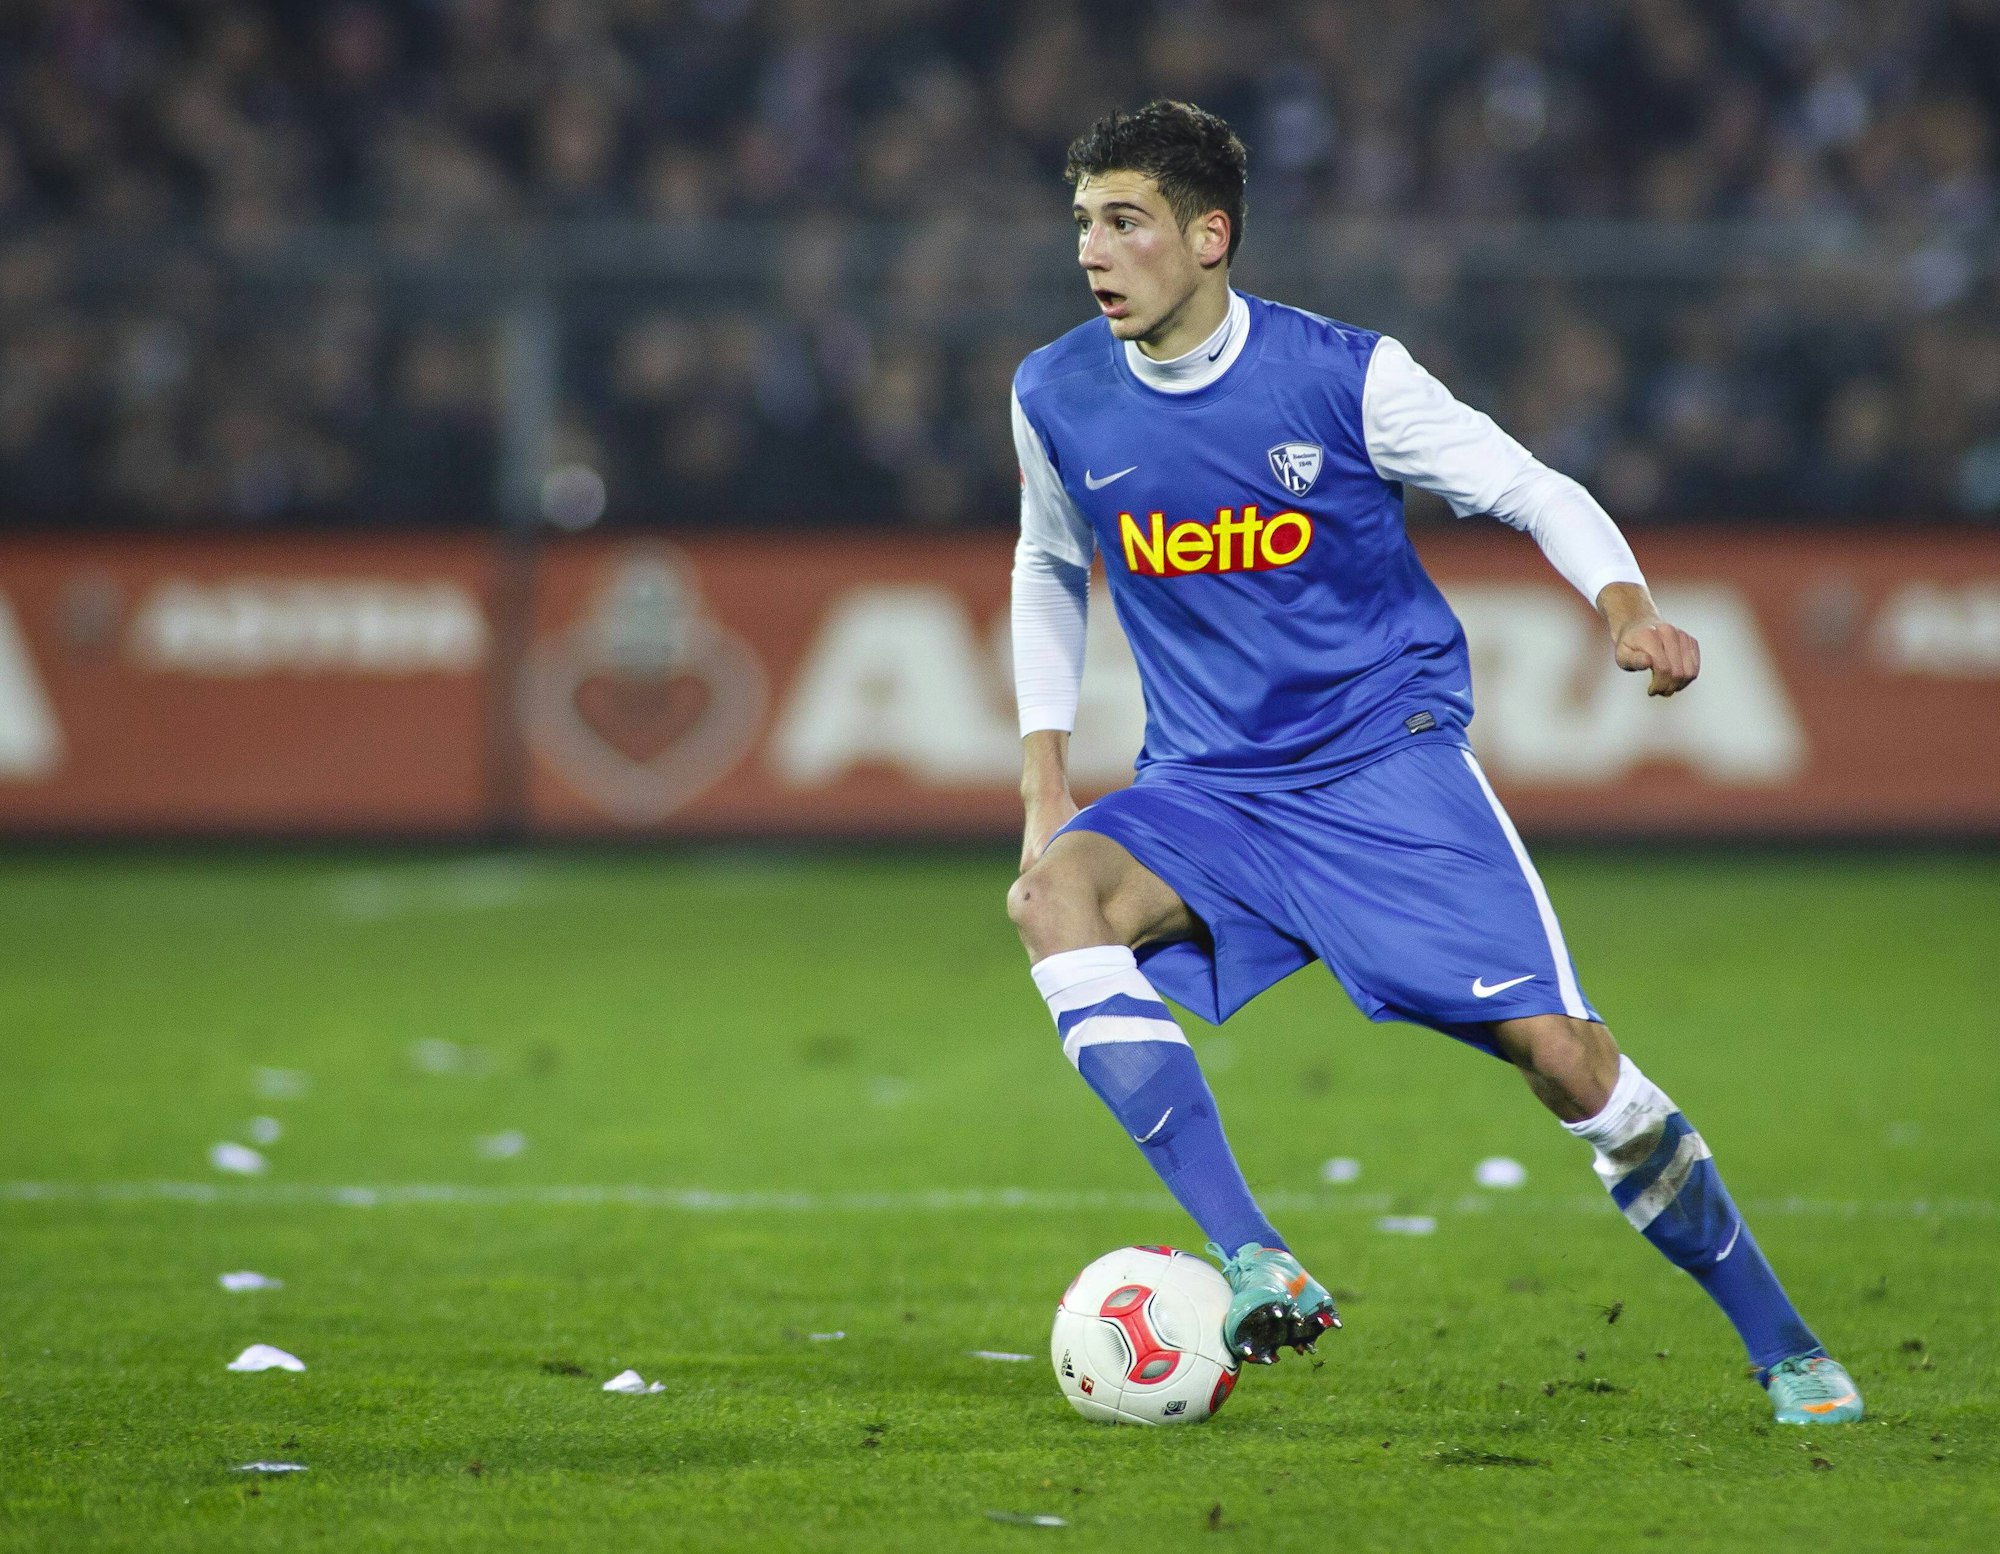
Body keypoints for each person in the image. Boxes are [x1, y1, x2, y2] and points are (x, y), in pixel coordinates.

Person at [1005, 100, 1861, 1425]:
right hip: (1210, 790)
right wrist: (1045, 784)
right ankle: (1251, 1250)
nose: (1093, 254)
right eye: (1082, 226)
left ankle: (1783, 1339)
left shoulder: (1344, 377)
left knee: (1569, 1061)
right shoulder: (1056, 391)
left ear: (1209, 236)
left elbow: (1531, 486)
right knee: (1054, 895)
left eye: (1124, 223)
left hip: (1377, 770)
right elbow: (1048, 564)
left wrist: (1625, 606)